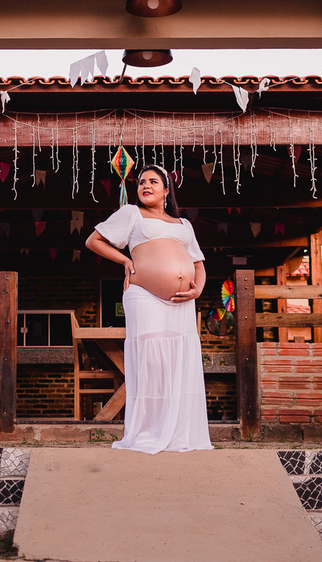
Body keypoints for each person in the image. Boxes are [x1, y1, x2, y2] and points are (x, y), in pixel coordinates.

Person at [84, 164, 214, 453]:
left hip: (182, 302)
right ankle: (149, 431)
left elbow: (197, 264)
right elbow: (94, 241)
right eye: (142, 182)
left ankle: (178, 432)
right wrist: (126, 261)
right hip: (144, 294)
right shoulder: (132, 213)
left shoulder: (184, 225)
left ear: (167, 190)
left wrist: (198, 288)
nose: (146, 186)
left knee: (179, 362)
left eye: (154, 182)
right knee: (152, 362)